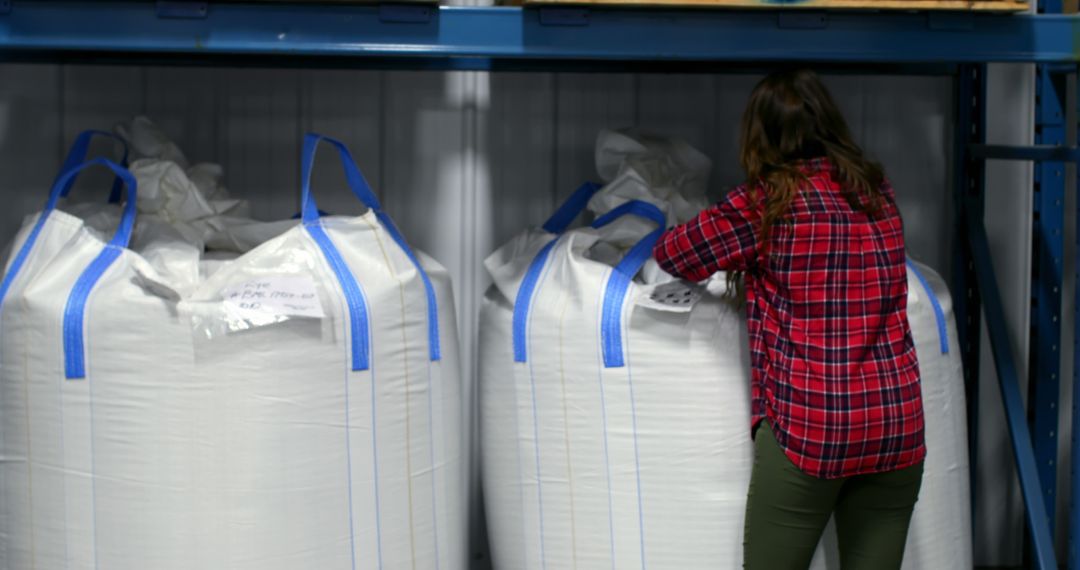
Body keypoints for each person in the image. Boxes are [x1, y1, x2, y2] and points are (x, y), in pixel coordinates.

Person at [652, 69, 926, 570]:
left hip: (814, 428)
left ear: (758, 135)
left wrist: (741, 257)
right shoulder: (876, 191)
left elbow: (675, 254)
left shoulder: (765, 203)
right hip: (896, 424)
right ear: (831, 124)